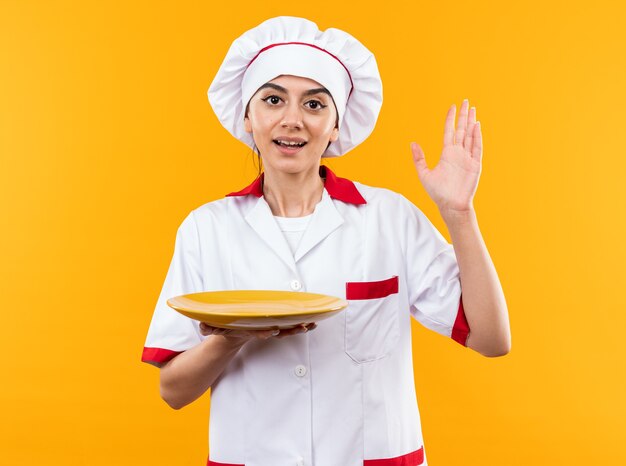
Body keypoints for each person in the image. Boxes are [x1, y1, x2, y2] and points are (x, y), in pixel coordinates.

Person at [141, 16, 510, 466]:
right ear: (247, 116)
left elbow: (491, 338)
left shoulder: (389, 218)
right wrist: (231, 339)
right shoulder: (206, 229)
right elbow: (173, 391)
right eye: (273, 99)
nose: (292, 119)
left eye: (315, 105)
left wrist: (459, 215)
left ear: (336, 126)